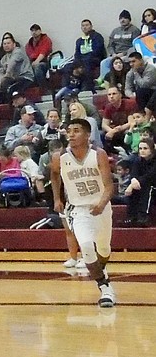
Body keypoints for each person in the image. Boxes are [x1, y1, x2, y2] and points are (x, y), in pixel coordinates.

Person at [53, 117, 117, 307]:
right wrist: (57, 198)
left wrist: (101, 203)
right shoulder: (60, 157)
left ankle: (100, 270)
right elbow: (54, 175)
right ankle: (105, 287)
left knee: (104, 249)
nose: (71, 134)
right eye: (69, 130)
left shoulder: (98, 154)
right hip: (77, 209)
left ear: (88, 135)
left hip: (101, 207)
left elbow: (109, 186)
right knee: (87, 246)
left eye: (76, 130)